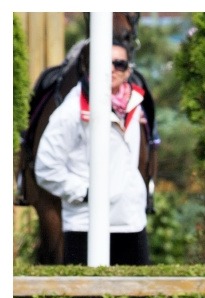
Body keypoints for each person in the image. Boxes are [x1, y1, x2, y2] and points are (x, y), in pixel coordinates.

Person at [34, 40, 151, 266]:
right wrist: (87, 194)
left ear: (128, 71)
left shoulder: (135, 104)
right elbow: (46, 168)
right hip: (85, 226)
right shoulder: (70, 111)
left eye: (119, 63)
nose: (111, 70)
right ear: (90, 67)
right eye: (103, 62)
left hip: (131, 222)